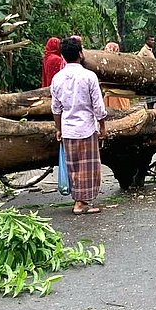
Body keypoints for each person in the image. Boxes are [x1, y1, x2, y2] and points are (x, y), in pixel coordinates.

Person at [51, 37, 108, 215]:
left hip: (68, 129)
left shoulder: (57, 78)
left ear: (63, 56)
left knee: (74, 166)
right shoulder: (89, 76)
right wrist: (103, 127)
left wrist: (58, 128)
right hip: (86, 128)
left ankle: (78, 200)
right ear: (80, 54)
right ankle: (81, 203)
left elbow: (56, 107)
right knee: (87, 167)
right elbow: (98, 106)